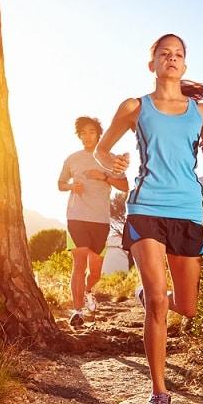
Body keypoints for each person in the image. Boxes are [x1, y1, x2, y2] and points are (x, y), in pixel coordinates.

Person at [94, 34, 203, 404]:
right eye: (163, 54)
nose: (171, 59)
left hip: (187, 211)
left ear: (184, 66)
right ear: (151, 64)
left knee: (185, 307)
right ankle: (158, 395)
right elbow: (102, 150)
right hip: (146, 208)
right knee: (157, 301)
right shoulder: (136, 107)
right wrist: (113, 163)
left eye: (178, 54)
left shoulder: (201, 113)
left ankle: (146, 295)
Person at [58, 116, 129, 327]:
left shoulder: (111, 158)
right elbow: (60, 183)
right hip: (76, 216)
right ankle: (77, 311)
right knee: (78, 265)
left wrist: (103, 177)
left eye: (91, 132)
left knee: (95, 271)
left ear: (99, 134)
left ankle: (89, 291)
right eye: (83, 133)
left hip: (100, 220)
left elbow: (124, 186)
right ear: (79, 136)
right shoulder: (72, 159)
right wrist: (72, 187)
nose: (87, 137)